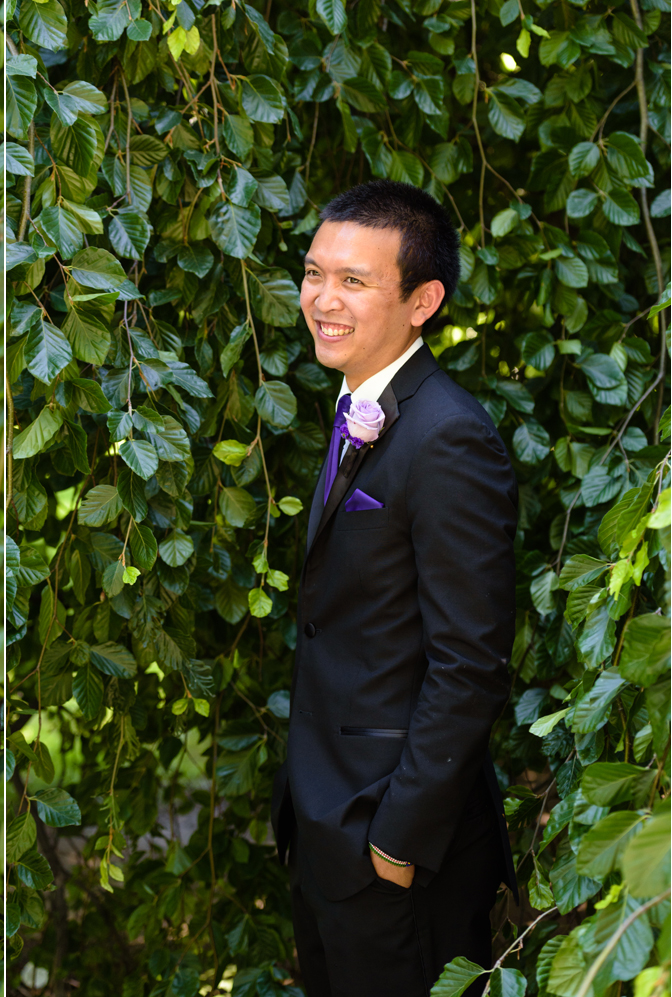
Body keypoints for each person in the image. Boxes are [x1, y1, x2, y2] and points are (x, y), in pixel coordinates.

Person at [270, 180, 517, 996]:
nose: (322, 300)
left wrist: (396, 844)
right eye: (314, 273)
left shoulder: (450, 436)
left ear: (424, 300)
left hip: (397, 847)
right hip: (328, 827)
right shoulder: (359, 405)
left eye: (353, 281)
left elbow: (470, 661)